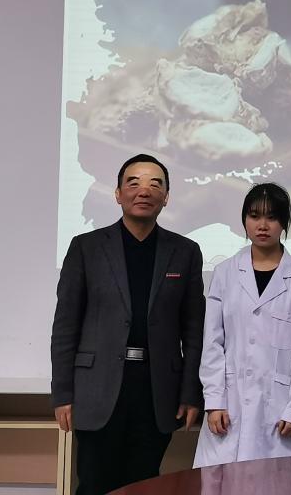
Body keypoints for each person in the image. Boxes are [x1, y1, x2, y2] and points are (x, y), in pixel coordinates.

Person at [51, 153, 205, 495]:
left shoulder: (185, 252)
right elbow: (65, 328)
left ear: (166, 197)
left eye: (155, 184)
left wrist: (190, 392)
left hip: (156, 390)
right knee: (94, 484)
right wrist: (62, 393)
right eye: (133, 183)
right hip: (97, 389)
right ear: (118, 194)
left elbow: (193, 331)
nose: (144, 191)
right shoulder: (86, 248)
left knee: (144, 484)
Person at [193, 183, 291, 466]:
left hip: (279, 409)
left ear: (284, 222)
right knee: (221, 482)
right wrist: (214, 401)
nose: (262, 225)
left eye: (272, 217)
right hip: (229, 407)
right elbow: (212, 343)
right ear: (244, 220)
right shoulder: (225, 272)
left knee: (277, 482)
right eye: (254, 216)